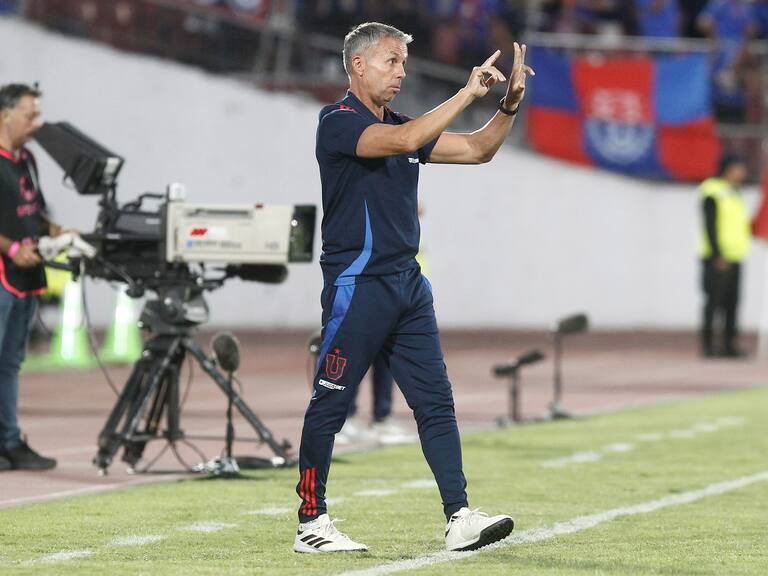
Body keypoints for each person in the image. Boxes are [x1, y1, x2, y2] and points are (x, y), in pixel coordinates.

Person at [294, 22, 533, 553]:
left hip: (407, 287)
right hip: (359, 287)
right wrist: (468, 92)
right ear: (357, 65)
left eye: (404, 62)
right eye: (391, 61)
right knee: (329, 406)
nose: (401, 72)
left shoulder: (405, 125)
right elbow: (403, 140)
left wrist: (508, 106)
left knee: (436, 403)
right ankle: (311, 522)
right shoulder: (337, 122)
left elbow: (476, 150)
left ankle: (459, 516)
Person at [0, 83, 61, 471]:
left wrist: (54, 230)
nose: (36, 123)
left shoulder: (28, 162)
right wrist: (10, 249)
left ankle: (8, 441)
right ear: (4, 114)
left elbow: (31, 209)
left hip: (27, 277)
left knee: (10, 363)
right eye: (29, 114)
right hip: (4, 272)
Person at [699, 154, 751, 358]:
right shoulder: (713, 191)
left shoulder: (734, 193)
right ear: (729, 169)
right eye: (740, 167)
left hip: (736, 256)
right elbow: (710, 226)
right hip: (717, 258)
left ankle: (729, 345)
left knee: (732, 304)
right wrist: (717, 255)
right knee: (713, 303)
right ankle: (708, 346)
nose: (743, 172)